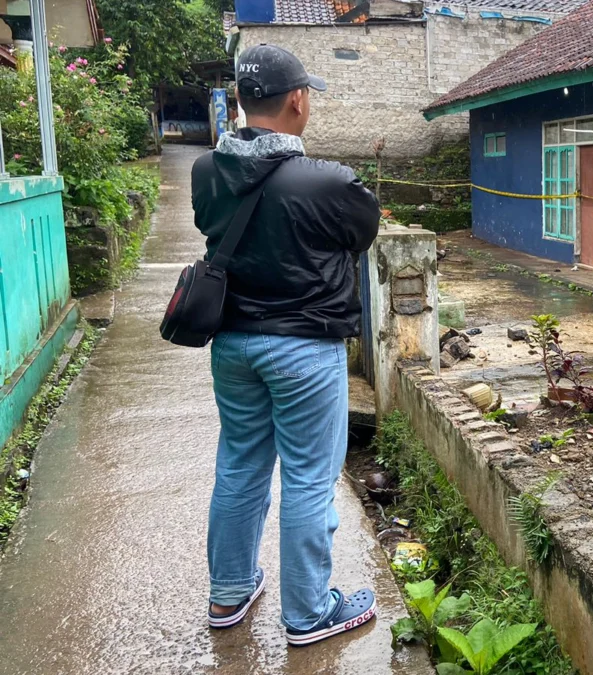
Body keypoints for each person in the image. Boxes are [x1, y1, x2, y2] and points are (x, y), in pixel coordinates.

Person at [190, 44, 381, 647]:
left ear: (242, 101)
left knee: (240, 464)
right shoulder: (329, 181)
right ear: (298, 100)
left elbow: (210, 226)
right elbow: (362, 234)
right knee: (307, 478)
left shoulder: (205, 172)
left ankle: (229, 593)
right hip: (304, 349)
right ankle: (308, 613)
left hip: (233, 346)